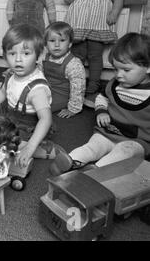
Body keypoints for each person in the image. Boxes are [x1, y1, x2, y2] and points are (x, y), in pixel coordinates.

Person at [49, 33, 150, 176]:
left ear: (148, 67)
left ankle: (97, 170)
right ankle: (71, 160)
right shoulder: (114, 84)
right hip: (107, 133)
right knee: (93, 146)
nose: (119, 75)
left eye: (126, 70)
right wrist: (101, 110)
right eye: (116, 69)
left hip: (137, 142)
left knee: (124, 152)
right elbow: (102, 97)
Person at [0, 24, 66, 168]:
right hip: (12, 119)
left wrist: (30, 147)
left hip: (31, 128)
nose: (18, 60)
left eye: (26, 54)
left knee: (5, 146)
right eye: (12, 54)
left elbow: (45, 119)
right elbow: (3, 92)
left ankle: (46, 149)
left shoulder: (37, 89)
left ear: (39, 56)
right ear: (5, 56)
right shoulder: (10, 74)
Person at [63, 0, 124, 105]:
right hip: (78, 26)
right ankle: (77, 83)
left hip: (97, 26)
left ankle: (93, 85)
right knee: (77, 57)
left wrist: (114, 13)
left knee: (95, 57)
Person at [42, 21, 86, 118]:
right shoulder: (44, 57)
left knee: (39, 107)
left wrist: (73, 108)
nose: (57, 45)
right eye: (52, 41)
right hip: (47, 89)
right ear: (46, 44)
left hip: (62, 96)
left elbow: (78, 88)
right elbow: (36, 74)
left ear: (70, 44)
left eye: (62, 40)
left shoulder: (73, 64)